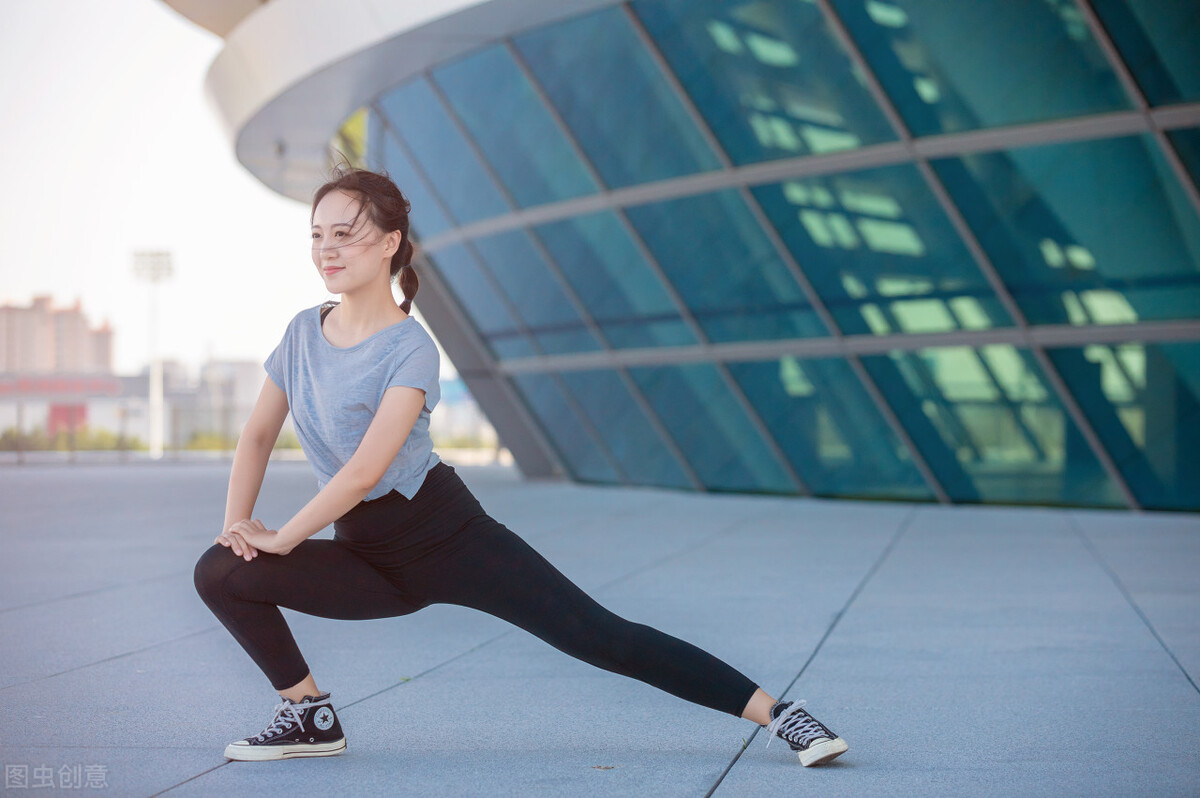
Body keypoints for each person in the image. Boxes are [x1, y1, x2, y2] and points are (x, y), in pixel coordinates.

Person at [192, 166, 848, 768]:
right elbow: (255, 437)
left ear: (390, 242)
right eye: (317, 236)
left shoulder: (410, 349)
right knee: (220, 571)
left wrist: (282, 537)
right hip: (365, 555)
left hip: (447, 539)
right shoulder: (303, 333)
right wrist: (237, 530)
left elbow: (365, 472)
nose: (327, 250)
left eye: (346, 234)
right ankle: (310, 714)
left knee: (601, 637)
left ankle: (782, 715)